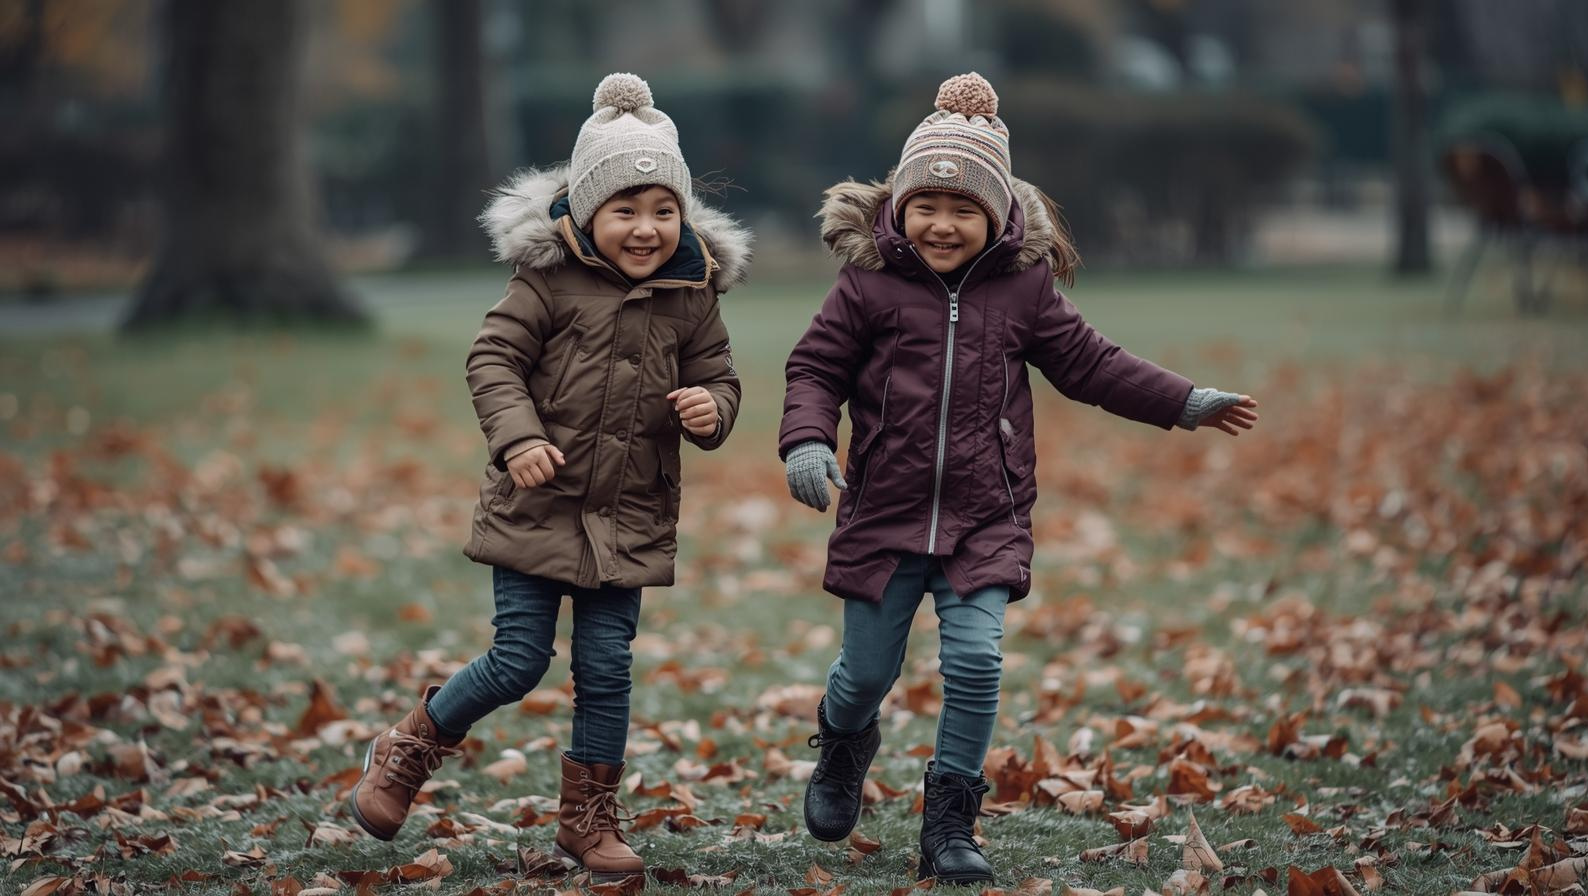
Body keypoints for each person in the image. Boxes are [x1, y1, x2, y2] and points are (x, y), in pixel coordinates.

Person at [778, 72, 1258, 885]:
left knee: (976, 663)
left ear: (998, 215)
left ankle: (950, 822)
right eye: (926, 204)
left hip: (985, 514)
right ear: (897, 205)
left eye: (965, 209)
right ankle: (844, 744)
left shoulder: (1023, 290)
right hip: (882, 516)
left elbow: (1091, 365)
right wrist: (806, 442)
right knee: (863, 673)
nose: (942, 222)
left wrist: (1185, 401)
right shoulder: (867, 284)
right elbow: (815, 369)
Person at [348, 73, 749, 885]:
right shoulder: (546, 281)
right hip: (538, 502)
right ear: (587, 211)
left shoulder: (692, 295)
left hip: (629, 514)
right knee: (518, 659)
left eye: (663, 210)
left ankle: (588, 822)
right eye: (625, 211)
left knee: (606, 670)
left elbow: (723, 377)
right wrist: (518, 437)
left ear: (683, 214)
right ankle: (407, 750)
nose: (646, 228)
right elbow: (492, 359)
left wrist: (711, 408)